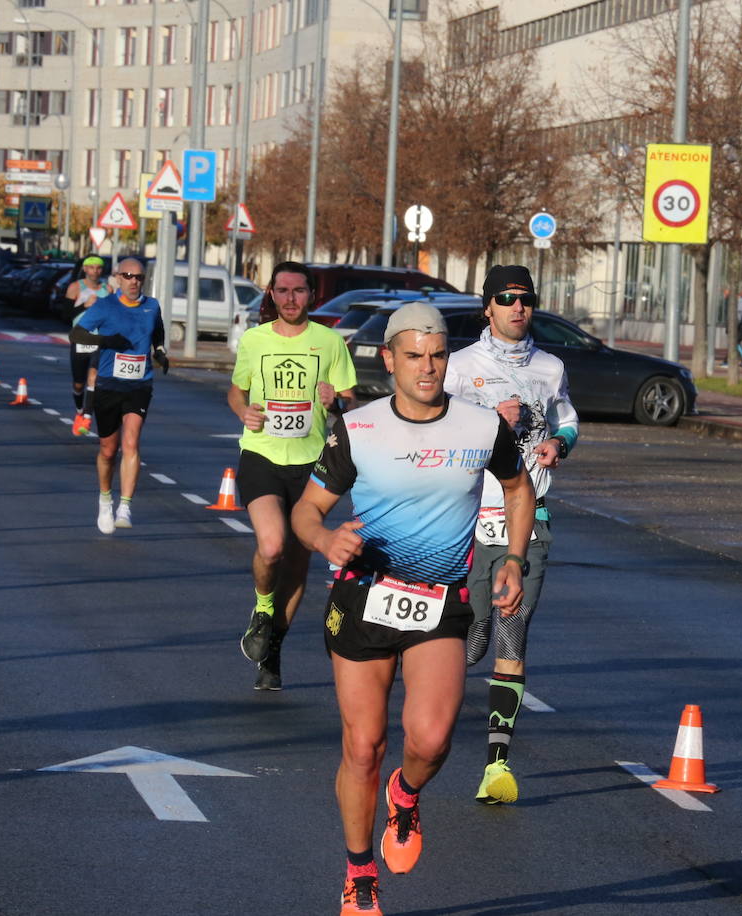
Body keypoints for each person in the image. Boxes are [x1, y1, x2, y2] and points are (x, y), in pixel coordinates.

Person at [292, 302, 534, 916]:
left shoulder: (480, 427)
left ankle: (405, 792)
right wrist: (324, 540)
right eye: (413, 356)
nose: (427, 367)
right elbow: (306, 510)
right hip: (364, 595)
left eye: (438, 355)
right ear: (389, 359)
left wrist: (513, 557)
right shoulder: (359, 428)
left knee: (430, 740)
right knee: (363, 746)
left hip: (439, 602)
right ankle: (359, 874)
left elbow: (517, 487)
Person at [444, 264, 579, 804]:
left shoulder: (549, 367)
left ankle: (496, 766)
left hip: (530, 518)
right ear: (488, 308)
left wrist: (559, 445)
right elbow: (430, 429)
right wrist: (486, 422)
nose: (517, 306)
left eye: (525, 298)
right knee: (469, 639)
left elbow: (568, 420)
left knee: (512, 630)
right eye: (506, 298)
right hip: (468, 519)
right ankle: (471, 629)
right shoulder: (459, 368)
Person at [227, 261, 357, 691]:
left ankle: (273, 646)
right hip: (262, 455)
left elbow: (351, 401)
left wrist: (336, 400)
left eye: (298, 291)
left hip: (312, 465)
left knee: (298, 562)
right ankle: (263, 608)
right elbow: (237, 390)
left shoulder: (330, 342)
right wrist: (242, 411)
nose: (290, 299)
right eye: (282, 290)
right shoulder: (255, 340)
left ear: (311, 295)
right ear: (271, 293)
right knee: (272, 545)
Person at [68, 258, 169, 534]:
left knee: (131, 442)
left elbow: (158, 330)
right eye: (128, 276)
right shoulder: (105, 306)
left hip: (139, 384)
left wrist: (160, 351)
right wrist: (105, 341)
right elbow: (76, 335)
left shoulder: (151, 306)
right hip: (109, 384)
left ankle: (125, 506)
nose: (134, 281)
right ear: (118, 278)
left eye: (139, 277)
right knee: (108, 450)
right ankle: (105, 499)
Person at [65, 256, 112, 436]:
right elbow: (65, 314)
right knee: (79, 384)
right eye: (91, 268)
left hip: (98, 340)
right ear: (85, 269)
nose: (95, 271)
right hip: (80, 340)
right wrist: (85, 305)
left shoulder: (108, 290)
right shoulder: (75, 288)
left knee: (94, 377)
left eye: (98, 268)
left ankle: (87, 416)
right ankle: (79, 411)